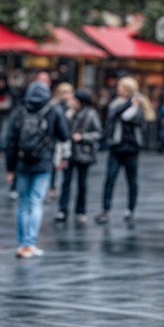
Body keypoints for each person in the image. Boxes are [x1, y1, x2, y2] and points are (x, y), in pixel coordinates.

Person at [6, 79, 70, 258]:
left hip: (22, 161)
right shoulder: (53, 110)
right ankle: (30, 242)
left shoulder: (20, 110)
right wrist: (63, 156)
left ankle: (21, 244)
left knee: (23, 203)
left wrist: (10, 169)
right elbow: (64, 135)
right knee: (36, 202)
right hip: (44, 161)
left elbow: (10, 141)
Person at [98, 77, 152, 224]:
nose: (118, 89)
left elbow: (138, 121)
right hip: (116, 146)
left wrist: (134, 106)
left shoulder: (139, 106)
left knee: (132, 180)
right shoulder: (116, 104)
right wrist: (129, 104)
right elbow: (115, 115)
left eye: (121, 87)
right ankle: (106, 209)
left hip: (131, 147)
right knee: (110, 178)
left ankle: (130, 210)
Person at [57, 82, 102, 224]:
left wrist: (83, 137)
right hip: (69, 151)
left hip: (84, 152)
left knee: (82, 183)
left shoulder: (91, 113)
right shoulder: (68, 112)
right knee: (66, 182)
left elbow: (98, 133)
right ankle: (62, 210)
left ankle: (80, 211)